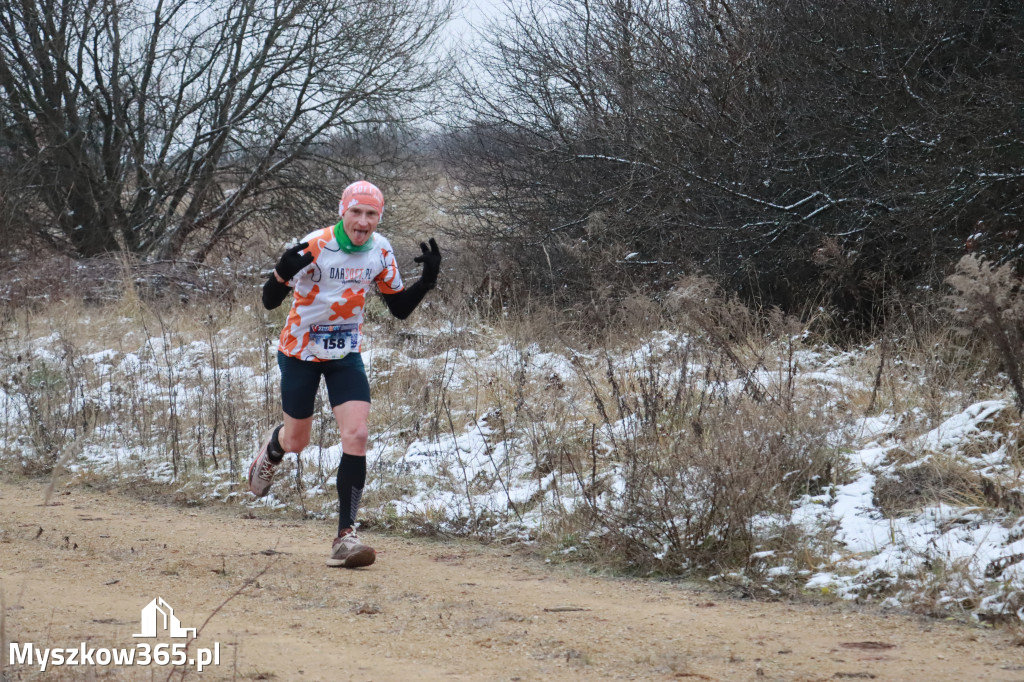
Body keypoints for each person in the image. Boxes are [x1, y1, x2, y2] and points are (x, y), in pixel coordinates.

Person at [248, 180, 440, 568]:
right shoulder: (316, 245)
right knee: (297, 441)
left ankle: (345, 537)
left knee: (357, 434)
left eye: (372, 214)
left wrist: (427, 282)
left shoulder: (381, 250)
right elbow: (269, 302)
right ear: (343, 211)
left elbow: (399, 308)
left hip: (344, 355)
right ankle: (272, 450)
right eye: (357, 212)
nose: (364, 221)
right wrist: (281, 274)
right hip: (300, 352)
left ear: (379, 218)